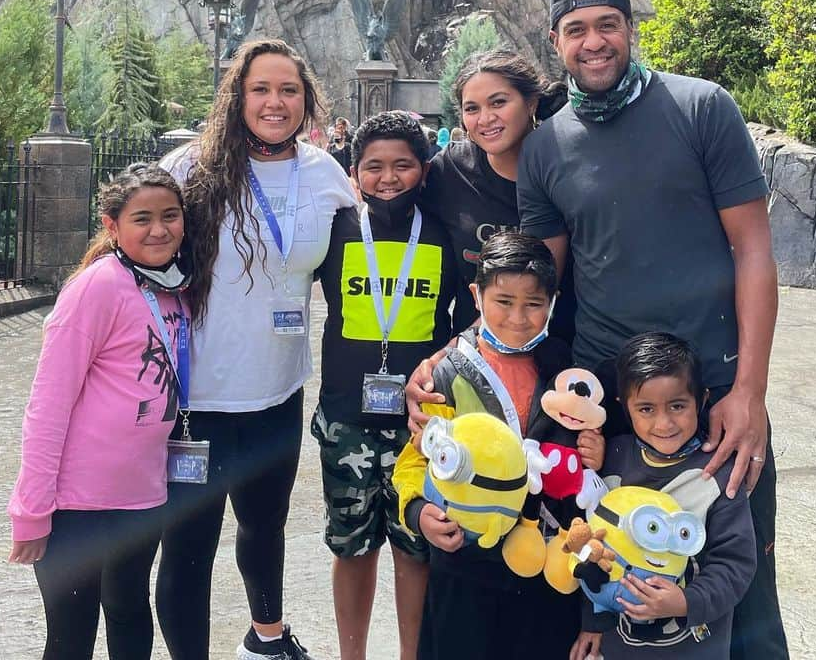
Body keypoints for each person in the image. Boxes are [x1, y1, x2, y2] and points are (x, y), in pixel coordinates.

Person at [516, 0, 788, 660]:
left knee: (740, 584)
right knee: (617, 577)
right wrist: (458, 364)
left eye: (608, 24)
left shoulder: (701, 107)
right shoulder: (546, 146)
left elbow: (754, 251)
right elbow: (532, 290)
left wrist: (749, 392)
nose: (594, 41)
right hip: (613, 411)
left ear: (630, 29)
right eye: (576, 30)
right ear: (557, 43)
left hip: (715, 401)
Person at [157, 39, 357, 660]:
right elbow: (134, 258)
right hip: (199, 395)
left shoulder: (325, 173)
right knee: (189, 544)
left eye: (288, 90)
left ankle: (266, 638)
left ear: (307, 99)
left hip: (277, 387)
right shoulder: (191, 167)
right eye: (261, 89)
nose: (275, 102)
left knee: (264, 526)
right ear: (238, 96)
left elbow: (360, 272)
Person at [8, 164, 191, 660]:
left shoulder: (172, 285)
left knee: (131, 613)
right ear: (111, 226)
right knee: (71, 637)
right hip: (77, 504)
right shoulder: (96, 288)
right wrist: (31, 512)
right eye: (142, 219)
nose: (159, 229)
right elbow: (47, 405)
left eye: (171, 216)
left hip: (143, 496)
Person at [392, 232, 600, 660]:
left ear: (554, 302)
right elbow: (414, 463)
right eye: (503, 301)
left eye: (534, 304)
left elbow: (584, 466)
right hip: (466, 562)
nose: (519, 318)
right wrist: (419, 512)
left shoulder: (567, 369)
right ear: (476, 295)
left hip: (546, 563)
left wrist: (590, 457)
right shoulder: (444, 375)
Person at [313, 110, 458, 660]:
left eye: (403, 165)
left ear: (424, 169)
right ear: (355, 172)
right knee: (351, 548)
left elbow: (470, 319)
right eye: (374, 166)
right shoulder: (336, 228)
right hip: (346, 415)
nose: (388, 177)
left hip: (423, 421)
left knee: (415, 549)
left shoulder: (442, 233)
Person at [574, 332, 756, 658]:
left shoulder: (718, 474)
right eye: (646, 408)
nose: (664, 422)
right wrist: (593, 621)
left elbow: (735, 564)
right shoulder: (612, 463)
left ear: (701, 401)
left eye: (677, 405)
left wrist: (686, 602)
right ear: (624, 408)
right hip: (619, 649)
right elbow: (594, 548)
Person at [420, 50, 570, 339]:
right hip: (475, 352)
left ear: (531, 103)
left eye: (498, 102)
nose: (485, 119)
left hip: (560, 349)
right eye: (472, 108)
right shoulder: (450, 170)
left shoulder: (566, 167)